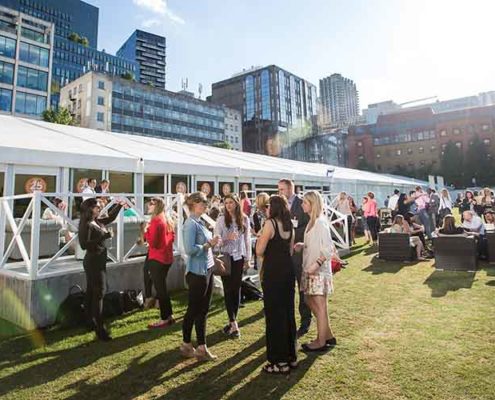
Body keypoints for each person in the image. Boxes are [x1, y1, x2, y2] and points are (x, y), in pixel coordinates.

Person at [256, 195, 297, 374]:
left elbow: (259, 250)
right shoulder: (290, 225)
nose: (266, 209)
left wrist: (259, 238)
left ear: (272, 208)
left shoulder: (270, 224)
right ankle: (291, 356)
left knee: (274, 316)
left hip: (273, 273)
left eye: (267, 206)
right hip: (287, 272)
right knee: (288, 313)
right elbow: (289, 250)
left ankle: (278, 362)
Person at [295, 191, 336, 352]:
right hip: (309, 268)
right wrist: (302, 245)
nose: (302, 204)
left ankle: (321, 341)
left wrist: (316, 265)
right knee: (310, 301)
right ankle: (328, 336)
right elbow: (314, 243)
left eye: (305, 202)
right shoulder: (312, 222)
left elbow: (328, 248)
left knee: (318, 305)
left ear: (313, 204)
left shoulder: (320, 222)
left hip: (317, 271)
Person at [181, 192, 221, 361]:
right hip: (197, 272)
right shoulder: (190, 224)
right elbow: (189, 250)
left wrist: (213, 244)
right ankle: (186, 344)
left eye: (206, 202)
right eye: (203, 203)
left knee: (203, 309)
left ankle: (201, 347)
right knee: (194, 309)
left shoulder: (199, 221)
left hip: (207, 269)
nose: (206, 205)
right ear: (194, 204)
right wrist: (207, 245)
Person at [78, 198, 123, 341]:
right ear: (89, 208)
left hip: (98, 261)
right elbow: (84, 245)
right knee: (99, 293)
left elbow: (110, 217)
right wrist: (105, 235)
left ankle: (89, 321)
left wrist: (120, 205)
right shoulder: (86, 224)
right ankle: (100, 329)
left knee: (92, 292)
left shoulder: (97, 221)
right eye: (97, 207)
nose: (99, 208)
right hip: (93, 262)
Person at [214, 193, 251, 338]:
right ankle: (234, 323)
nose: (228, 205)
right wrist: (226, 238)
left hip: (239, 257)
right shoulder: (221, 220)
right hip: (226, 258)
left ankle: (232, 322)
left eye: (231, 202)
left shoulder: (245, 219)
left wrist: (248, 259)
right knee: (228, 289)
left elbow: (247, 240)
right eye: (226, 203)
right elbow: (216, 242)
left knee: (236, 289)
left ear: (236, 203)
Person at [278, 178, 311, 338]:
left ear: (291, 189)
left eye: (282, 189)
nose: (280, 192)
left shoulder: (301, 203)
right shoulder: (280, 204)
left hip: (298, 253)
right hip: (284, 254)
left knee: (302, 288)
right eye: (279, 189)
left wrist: (296, 236)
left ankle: (305, 322)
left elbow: (308, 225)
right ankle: (287, 321)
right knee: (286, 288)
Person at [144, 197, 176, 329]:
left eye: (151, 204)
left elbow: (153, 243)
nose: (148, 206)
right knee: (162, 289)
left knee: (161, 290)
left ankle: (164, 318)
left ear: (155, 206)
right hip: (166, 258)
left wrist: (146, 231)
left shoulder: (156, 221)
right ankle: (169, 315)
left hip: (157, 259)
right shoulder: (167, 218)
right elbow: (172, 237)